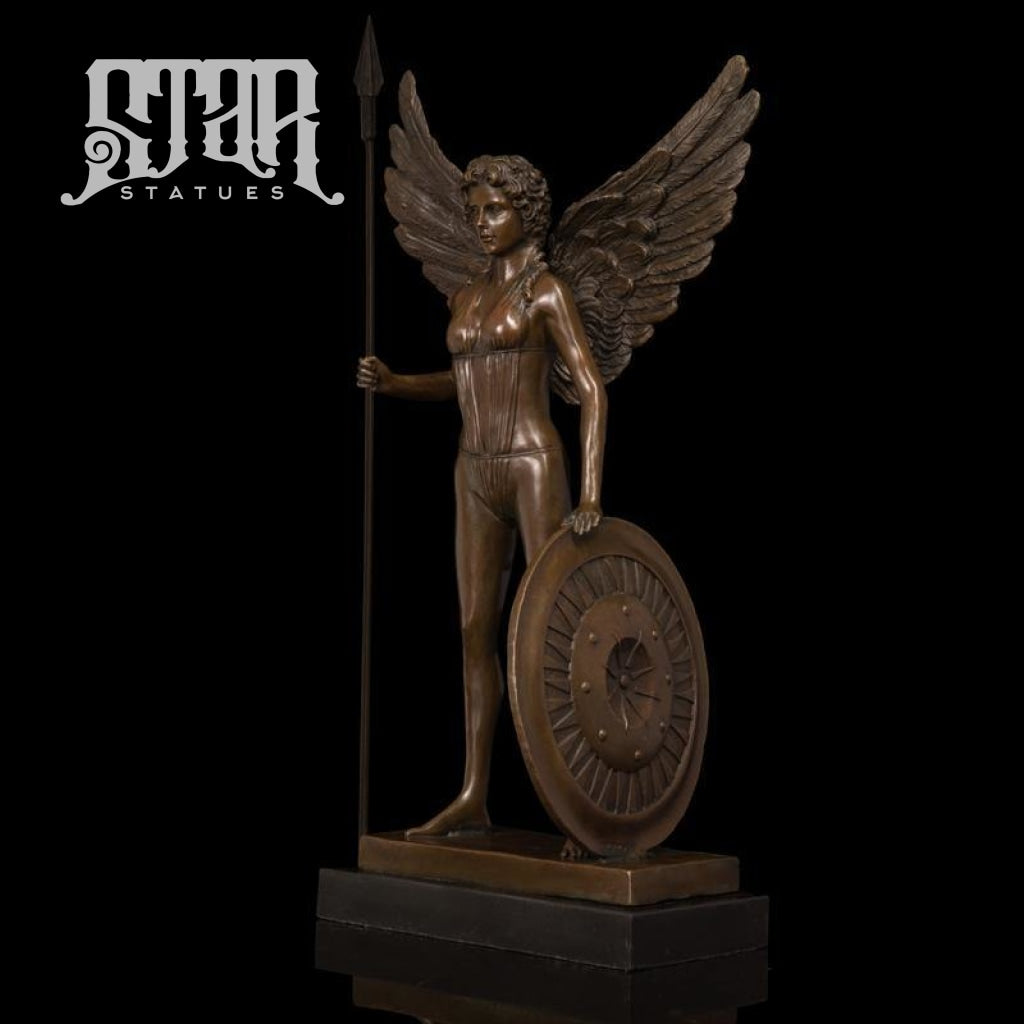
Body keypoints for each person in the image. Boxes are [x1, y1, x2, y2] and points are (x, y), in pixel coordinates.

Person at [357, 155, 607, 837]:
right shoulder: (466, 296)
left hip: (531, 464)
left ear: (527, 213)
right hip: (473, 469)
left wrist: (590, 494)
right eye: (474, 212)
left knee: (553, 631)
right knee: (474, 631)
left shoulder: (547, 292)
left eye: (494, 209)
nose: (481, 223)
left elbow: (590, 389)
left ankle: (576, 803)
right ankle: (473, 793)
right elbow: (462, 381)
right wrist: (396, 384)